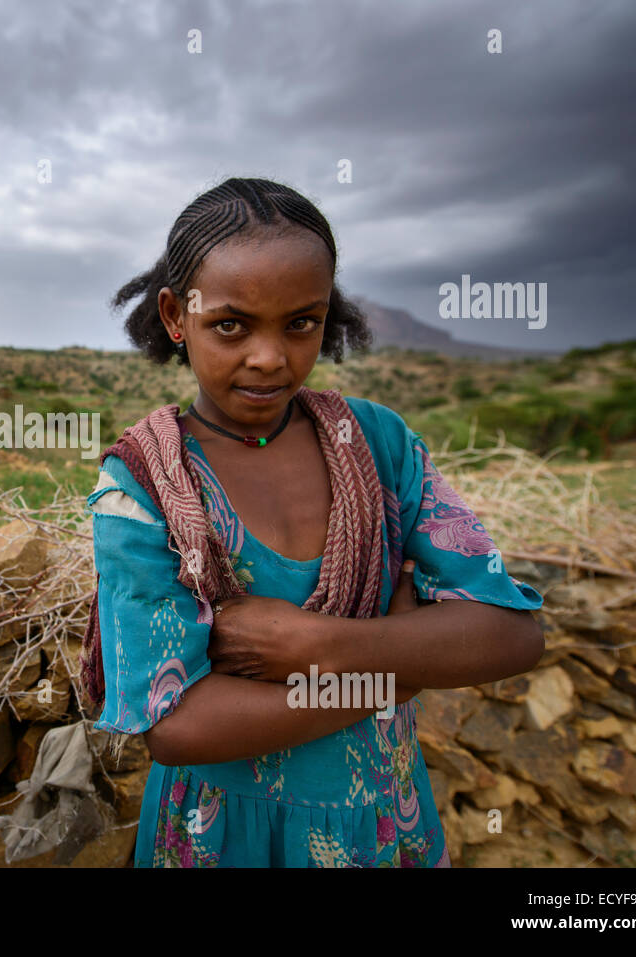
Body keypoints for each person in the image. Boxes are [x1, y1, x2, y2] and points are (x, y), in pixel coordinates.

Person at [83, 176, 545, 867]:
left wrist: (315, 641)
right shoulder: (143, 483)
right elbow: (176, 724)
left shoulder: (379, 447)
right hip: (224, 837)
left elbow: (510, 632)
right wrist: (392, 670)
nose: (270, 357)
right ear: (177, 316)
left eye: (302, 322)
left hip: (386, 825)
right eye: (231, 325)